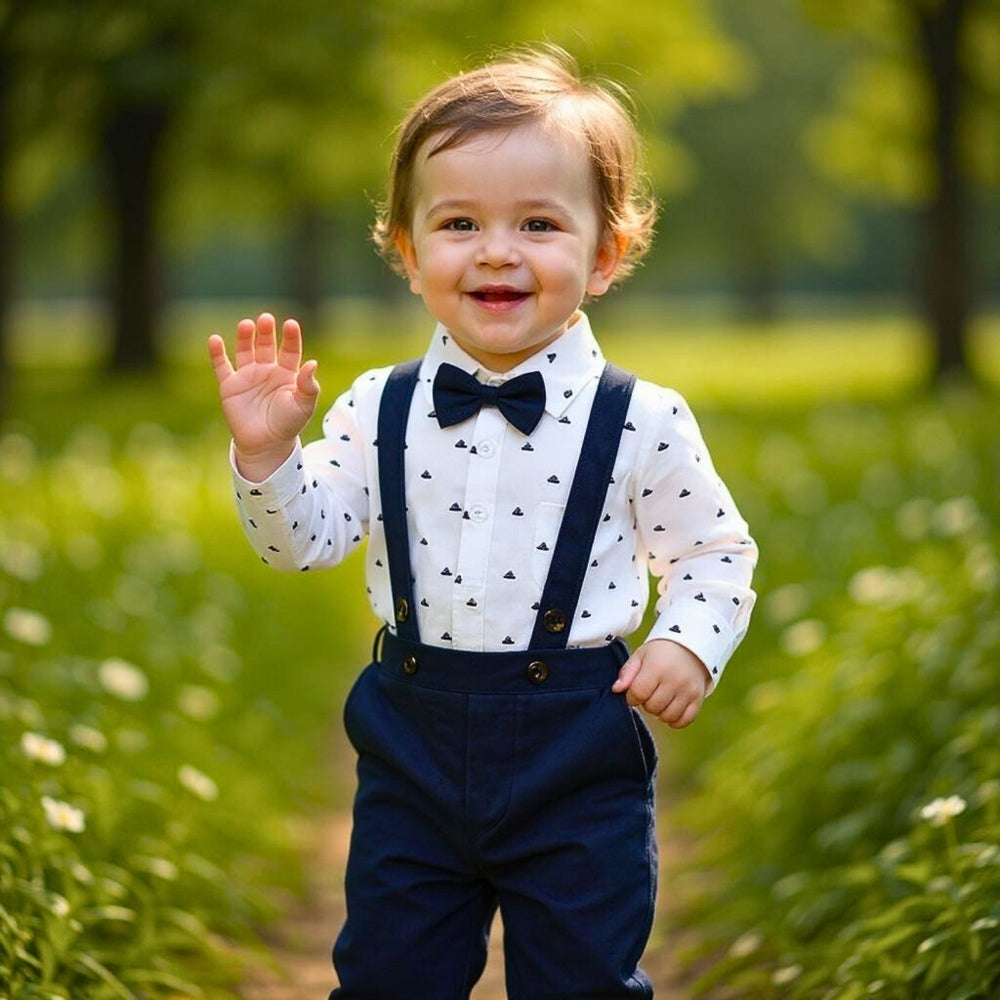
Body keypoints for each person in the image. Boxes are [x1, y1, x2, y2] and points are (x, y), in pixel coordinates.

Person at [208, 45, 757, 1000]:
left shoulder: (643, 417)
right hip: (412, 749)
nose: (497, 250)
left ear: (605, 252)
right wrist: (267, 459)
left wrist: (688, 645)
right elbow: (305, 542)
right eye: (460, 222)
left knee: (580, 977)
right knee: (389, 975)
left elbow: (714, 553)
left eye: (539, 223)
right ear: (410, 253)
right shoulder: (375, 406)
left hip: (577, 751)